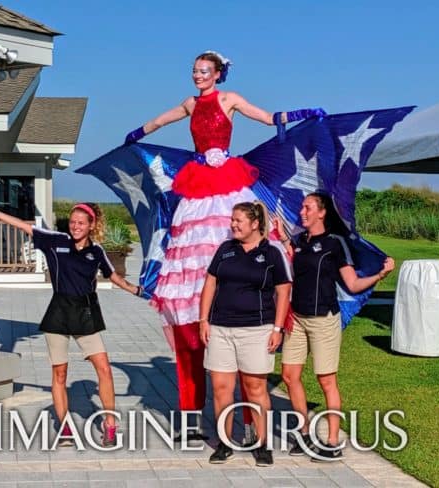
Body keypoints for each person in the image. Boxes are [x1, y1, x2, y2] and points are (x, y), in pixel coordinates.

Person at [124, 50, 324, 442]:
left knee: (234, 228)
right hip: (199, 176)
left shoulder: (229, 99)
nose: (197, 76)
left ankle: (242, 291)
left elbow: (267, 118)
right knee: (192, 236)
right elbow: (161, 120)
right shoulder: (189, 103)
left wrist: (300, 115)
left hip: (226, 175)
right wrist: (136, 135)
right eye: (194, 71)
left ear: (217, 73)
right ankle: (200, 295)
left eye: (203, 71)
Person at [0, 199, 142, 447]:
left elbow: (114, 276)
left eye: (81, 223)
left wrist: (138, 291)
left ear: (91, 225)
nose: (75, 226)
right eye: (72, 222)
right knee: (59, 374)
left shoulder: (97, 251)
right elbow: (25, 227)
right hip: (59, 313)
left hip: (86, 313)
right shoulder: (56, 241)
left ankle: (110, 426)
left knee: (103, 368)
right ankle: (65, 428)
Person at [274, 193, 395, 461]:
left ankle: (332, 441)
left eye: (308, 208)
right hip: (297, 319)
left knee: (326, 380)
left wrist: (379, 276)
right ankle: (304, 434)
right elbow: (293, 261)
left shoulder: (335, 244)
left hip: (324, 320)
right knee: (289, 376)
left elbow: (351, 285)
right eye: (302, 207)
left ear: (322, 212)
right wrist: (283, 237)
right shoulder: (300, 242)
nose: (302, 211)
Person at [199, 201, 291, 466]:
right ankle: (224, 443)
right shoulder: (225, 250)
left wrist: (277, 327)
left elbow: (283, 291)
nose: (233, 225)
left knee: (255, 388)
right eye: (232, 220)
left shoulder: (272, 253)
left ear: (255, 224)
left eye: (238, 220)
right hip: (220, 329)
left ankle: (262, 444)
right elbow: (210, 283)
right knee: (221, 388)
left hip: (256, 330)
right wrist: (203, 320)